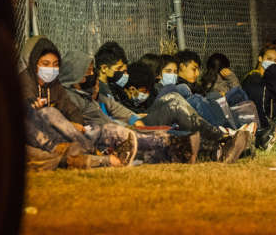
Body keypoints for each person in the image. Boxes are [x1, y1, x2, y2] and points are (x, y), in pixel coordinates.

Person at [58, 51, 201, 164]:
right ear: (75, 73)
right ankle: (198, 142)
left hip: (125, 128)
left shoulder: (90, 93)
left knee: (180, 106)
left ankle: (202, 142)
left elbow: (117, 109)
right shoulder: (70, 96)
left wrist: (133, 119)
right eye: (87, 71)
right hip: (109, 136)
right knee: (174, 101)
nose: (91, 75)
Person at [19, 37, 137, 169]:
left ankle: (103, 156)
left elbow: (72, 110)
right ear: (34, 63)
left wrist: (76, 124)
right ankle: (99, 157)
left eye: (55, 64)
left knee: (95, 132)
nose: (51, 69)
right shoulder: (24, 82)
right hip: (37, 139)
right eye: (45, 64)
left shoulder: (55, 85)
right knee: (49, 117)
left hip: (63, 139)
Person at [122, 62, 252, 163]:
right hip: (127, 131)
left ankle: (224, 141)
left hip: (138, 123)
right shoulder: (109, 93)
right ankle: (223, 140)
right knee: (176, 99)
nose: (124, 75)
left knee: (181, 97)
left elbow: (121, 111)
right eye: (121, 70)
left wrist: (134, 117)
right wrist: (133, 119)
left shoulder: (112, 92)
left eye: (175, 71)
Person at [241, 43, 276, 150]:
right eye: (269, 59)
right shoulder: (254, 78)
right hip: (256, 122)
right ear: (260, 59)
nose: (272, 63)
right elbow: (259, 105)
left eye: (275, 61)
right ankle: (265, 134)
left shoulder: (269, 79)